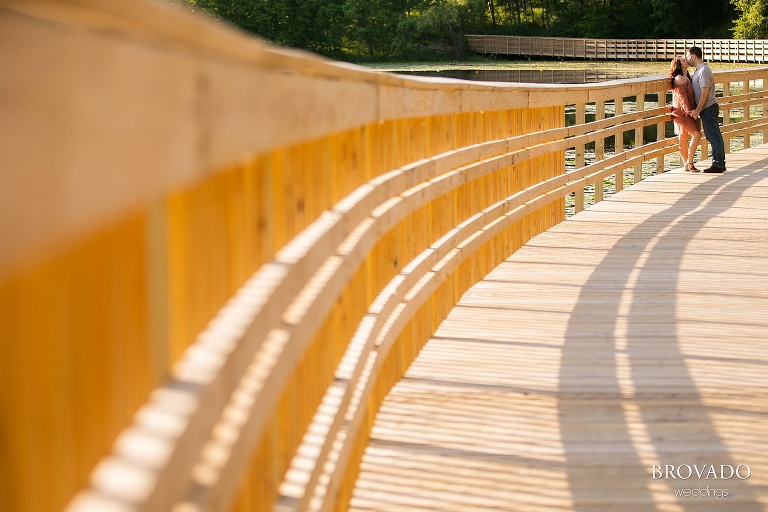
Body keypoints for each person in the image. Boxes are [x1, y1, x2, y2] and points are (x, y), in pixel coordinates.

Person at [687, 46, 726, 173]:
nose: (687, 59)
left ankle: (718, 164)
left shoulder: (703, 70)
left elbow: (705, 92)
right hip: (707, 108)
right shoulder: (700, 70)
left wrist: (697, 110)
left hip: (708, 108)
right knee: (715, 135)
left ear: (693, 56)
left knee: (713, 136)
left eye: (688, 57)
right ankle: (720, 163)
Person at [669, 56, 702, 172]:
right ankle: (689, 162)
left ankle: (686, 164)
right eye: (683, 61)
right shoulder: (680, 79)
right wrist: (689, 111)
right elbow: (682, 97)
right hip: (682, 112)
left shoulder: (686, 77)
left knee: (683, 136)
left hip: (686, 110)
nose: (686, 61)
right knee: (697, 134)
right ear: (679, 65)